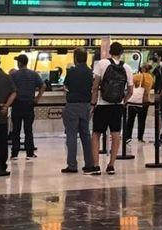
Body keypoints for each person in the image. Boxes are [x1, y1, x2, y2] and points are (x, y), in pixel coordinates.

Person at [90, 43, 131, 175]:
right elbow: (130, 90)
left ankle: (96, 166)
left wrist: (93, 103)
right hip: (117, 105)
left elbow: (95, 86)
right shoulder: (126, 67)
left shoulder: (101, 64)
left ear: (109, 51)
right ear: (121, 53)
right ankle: (111, 165)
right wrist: (123, 101)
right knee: (116, 134)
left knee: (96, 134)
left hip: (102, 105)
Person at [61, 48, 97, 174]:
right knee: (85, 135)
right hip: (86, 105)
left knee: (71, 136)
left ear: (75, 58)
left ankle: (72, 165)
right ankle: (89, 163)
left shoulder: (71, 72)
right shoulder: (90, 72)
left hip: (72, 106)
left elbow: (66, 86)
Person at [9, 54, 45, 159]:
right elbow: (43, 85)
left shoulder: (14, 75)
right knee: (28, 129)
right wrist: (37, 98)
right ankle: (30, 152)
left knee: (16, 129)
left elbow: (10, 89)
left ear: (19, 63)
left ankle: (14, 153)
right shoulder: (33, 74)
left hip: (17, 104)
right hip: (29, 104)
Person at [124, 60, 153, 143]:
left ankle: (128, 136)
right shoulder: (150, 77)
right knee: (142, 120)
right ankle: (140, 137)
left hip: (134, 101)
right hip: (145, 101)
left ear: (142, 69)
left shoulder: (136, 76)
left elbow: (130, 85)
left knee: (130, 119)